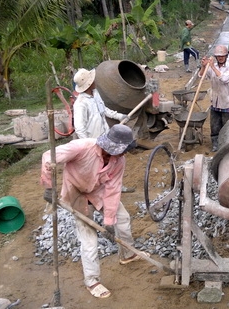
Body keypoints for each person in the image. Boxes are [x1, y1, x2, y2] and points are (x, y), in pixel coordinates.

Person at [40, 125, 150, 299]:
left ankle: (128, 254)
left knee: (122, 218)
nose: (123, 154)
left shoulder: (119, 161)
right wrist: (49, 187)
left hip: (98, 191)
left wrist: (108, 221)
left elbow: (113, 190)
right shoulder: (82, 147)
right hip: (75, 191)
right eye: (121, 150)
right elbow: (48, 157)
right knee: (89, 238)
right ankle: (92, 281)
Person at [72, 68, 135, 193]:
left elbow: (105, 110)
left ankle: (116, 186)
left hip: (105, 137)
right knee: (97, 167)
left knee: (113, 163)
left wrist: (119, 116)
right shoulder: (80, 103)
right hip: (94, 141)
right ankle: (95, 191)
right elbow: (79, 128)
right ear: (89, 84)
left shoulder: (95, 94)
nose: (95, 80)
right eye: (92, 79)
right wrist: (89, 145)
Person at [199, 45, 229, 152]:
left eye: (222, 56)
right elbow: (201, 76)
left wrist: (212, 67)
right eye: (218, 56)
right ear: (216, 57)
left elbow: (224, 79)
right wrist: (203, 66)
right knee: (214, 125)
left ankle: (226, 144)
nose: (220, 58)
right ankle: (215, 144)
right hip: (215, 101)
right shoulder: (211, 67)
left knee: (226, 125)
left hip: (226, 102)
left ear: (226, 56)